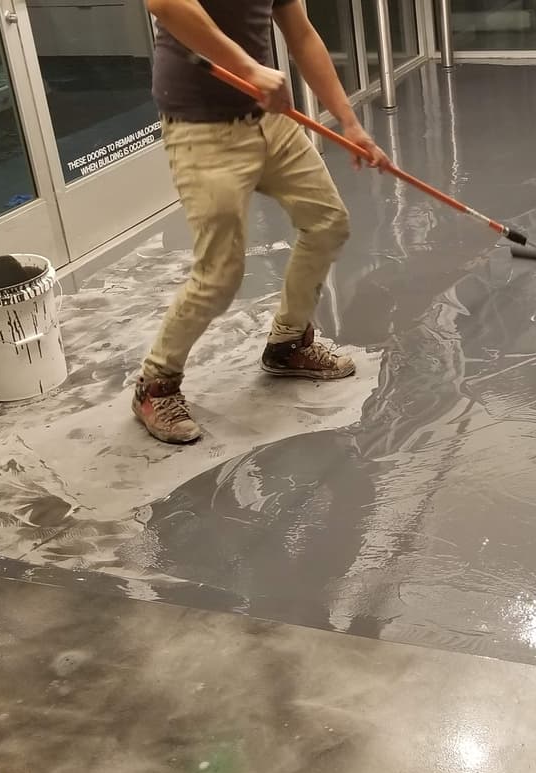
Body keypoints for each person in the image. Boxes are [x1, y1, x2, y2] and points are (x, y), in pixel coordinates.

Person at [137, 0, 390, 443]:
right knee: (220, 275)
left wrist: (350, 123)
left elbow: (301, 32)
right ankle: (155, 384)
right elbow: (164, 3)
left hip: (270, 122)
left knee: (327, 223)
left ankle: (288, 344)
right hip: (201, 128)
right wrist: (250, 69)